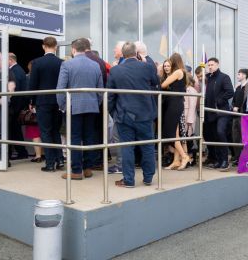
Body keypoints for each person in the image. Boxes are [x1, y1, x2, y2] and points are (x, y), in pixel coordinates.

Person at [108, 41, 160, 188]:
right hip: (145, 114)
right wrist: (145, 62)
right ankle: (148, 178)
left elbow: (110, 96)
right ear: (136, 53)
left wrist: (114, 113)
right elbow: (156, 81)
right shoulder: (147, 67)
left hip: (124, 115)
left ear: (123, 55)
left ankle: (129, 180)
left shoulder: (115, 70)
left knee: (127, 148)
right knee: (147, 146)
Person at [57, 38, 104, 180]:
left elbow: (60, 89)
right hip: (92, 107)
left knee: (75, 138)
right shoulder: (95, 65)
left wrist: (63, 106)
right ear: (86, 49)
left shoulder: (67, 64)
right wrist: (96, 103)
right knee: (89, 137)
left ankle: (76, 171)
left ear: (73, 49)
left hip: (73, 107)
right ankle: (88, 168)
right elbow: (100, 90)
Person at [29, 36, 64, 172]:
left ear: (43, 46)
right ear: (56, 47)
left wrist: (31, 101)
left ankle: (50, 163)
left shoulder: (37, 63)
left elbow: (33, 84)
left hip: (42, 102)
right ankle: (60, 160)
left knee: (45, 132)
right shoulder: (62, 63)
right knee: (56, 131)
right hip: (58, 101)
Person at [161, 53, 191, 170]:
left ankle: (184, 156)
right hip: (176, 104)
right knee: (176, 134)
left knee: (171, 133)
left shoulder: (178, 72)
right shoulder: (182, 72)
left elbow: (163, 84)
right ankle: (176, 161)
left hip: (174, 105)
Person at [203, 58, 234, 170]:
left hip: (221, 111)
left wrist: (219, 101)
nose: (210, 67)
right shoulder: (208, 78)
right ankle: (218, 160)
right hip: (210, 111)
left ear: (217, 65)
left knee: (220, 132)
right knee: (214, 136)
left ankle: (225, 159)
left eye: (212, 65)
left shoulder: (224, 77)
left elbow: (230, 91)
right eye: (208, 65)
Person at [8, 53, 29, 160]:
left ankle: (20, 152)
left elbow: (16, 89)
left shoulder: (14, 71)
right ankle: (21, 152)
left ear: (10, 60)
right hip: (18, 105)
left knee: (13, 130)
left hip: (15, 105)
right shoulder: (19, 69)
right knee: (15, 130)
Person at [24, 61, 43, 163]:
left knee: (34, 132)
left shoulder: (28, 78)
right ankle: (43, 154)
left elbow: (28, 93)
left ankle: (38, 155)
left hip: (33, 107)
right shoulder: (43, 78)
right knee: (43, 132)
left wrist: (30, 104)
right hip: (44, 106)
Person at [231, 68, 248, 166]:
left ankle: (244, 158)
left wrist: (239, 107)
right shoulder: (238, 87)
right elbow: (234, 100)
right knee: (235, 137)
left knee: (243, 137)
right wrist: (234, 107)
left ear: (244, 75)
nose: (237, 76)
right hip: (235, 115)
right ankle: (237, 157)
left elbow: (247, 101)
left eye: (239, 74)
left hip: (243, 115)